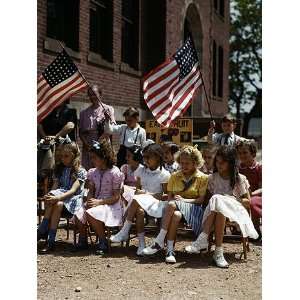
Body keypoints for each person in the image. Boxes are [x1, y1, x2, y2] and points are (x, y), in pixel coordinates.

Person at [185, 146, 259, 268]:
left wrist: (228, 198)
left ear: (230, 163)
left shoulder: (239, 178)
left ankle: (203, 238)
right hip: (215, 213)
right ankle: (218, 253)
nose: (219, 165)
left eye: (223, 162)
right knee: (219, 206)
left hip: (235, 212)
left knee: (218, 199)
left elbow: (247, 202)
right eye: (217, 162)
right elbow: (207, 201)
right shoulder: (212, 178)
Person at [142, 145, 209, 263]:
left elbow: (201, 200)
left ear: (195, 162)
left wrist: (183, 200)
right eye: (182, 163)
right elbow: (170, 197)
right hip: (175, 209)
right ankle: (170, 250)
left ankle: (159, 240)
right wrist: (177, 201)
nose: (184, 166)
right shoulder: (174, 176)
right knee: (176, 214)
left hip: (194, 209)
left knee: (172, 205)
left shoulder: (203, 177)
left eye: (187, 163)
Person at [110, 143, 170, 255]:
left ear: (157, 157)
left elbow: (165, 196)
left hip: (157, 204)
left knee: (137, 199)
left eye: (148, 157)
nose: (145, 160)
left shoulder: (165, 174)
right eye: (144, 157)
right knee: (139, 211)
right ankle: (141, 243)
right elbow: (137, 190)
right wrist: (141, 193)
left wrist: (147, 194)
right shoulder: (140, 171)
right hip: (141, 203)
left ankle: (124, 231)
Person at [73, 140, 124, 255]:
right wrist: (89, 201)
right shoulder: (92, 172)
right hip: (96, 201)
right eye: (91, 157)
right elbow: (91, 191)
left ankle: (103, 241)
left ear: (104, 158)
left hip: (110, 204)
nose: (92, 160)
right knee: (78, 213)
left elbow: (116, 197)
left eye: (94, 158)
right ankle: (83, 239)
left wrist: (99, 202)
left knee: (92, 213)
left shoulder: (115, 173)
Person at [37, 140, 87, 253]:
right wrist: (50, 194)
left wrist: (57, 197)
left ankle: (42, 230)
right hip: (59, 200)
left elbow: (73, 190)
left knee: (56, 200)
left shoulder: (80, 171)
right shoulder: (60, 169)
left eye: (66, 156)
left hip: (72, 200)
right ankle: (50, 242)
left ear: (74, 156)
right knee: (56, 202)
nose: (63, 159)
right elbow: (55, 187)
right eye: (62, 156)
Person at [37, 101, 78, 180]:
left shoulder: (70, 111)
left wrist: (56, 136)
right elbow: (39, 124)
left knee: (61, 168)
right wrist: (45, 137)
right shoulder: (48, 112)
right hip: (47, 145)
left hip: (64, 146)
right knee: (46, 168)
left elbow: (70, 126)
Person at [79, 85, 115, 170]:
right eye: (90, 94)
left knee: (103, 168)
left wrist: (99, 143)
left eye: (94, 94)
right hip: (88, 146)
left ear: (100, 95)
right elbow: (80, 132)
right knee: (89, 171)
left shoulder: (108, 109)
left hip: (103, 144)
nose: (92, 97)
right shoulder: (84, 113)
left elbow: (111, 128)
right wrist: (87, 145)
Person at [237, 140, 262, 239]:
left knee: (251, 203)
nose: (242, 155)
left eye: (245, 152)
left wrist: (251, 194)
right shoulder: (238, 168)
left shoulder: (258, 168)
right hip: (241, 194)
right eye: (239, 153)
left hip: (256, 195)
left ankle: (255, 229)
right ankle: (239, 228)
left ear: (253, 153)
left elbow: (262, 188)